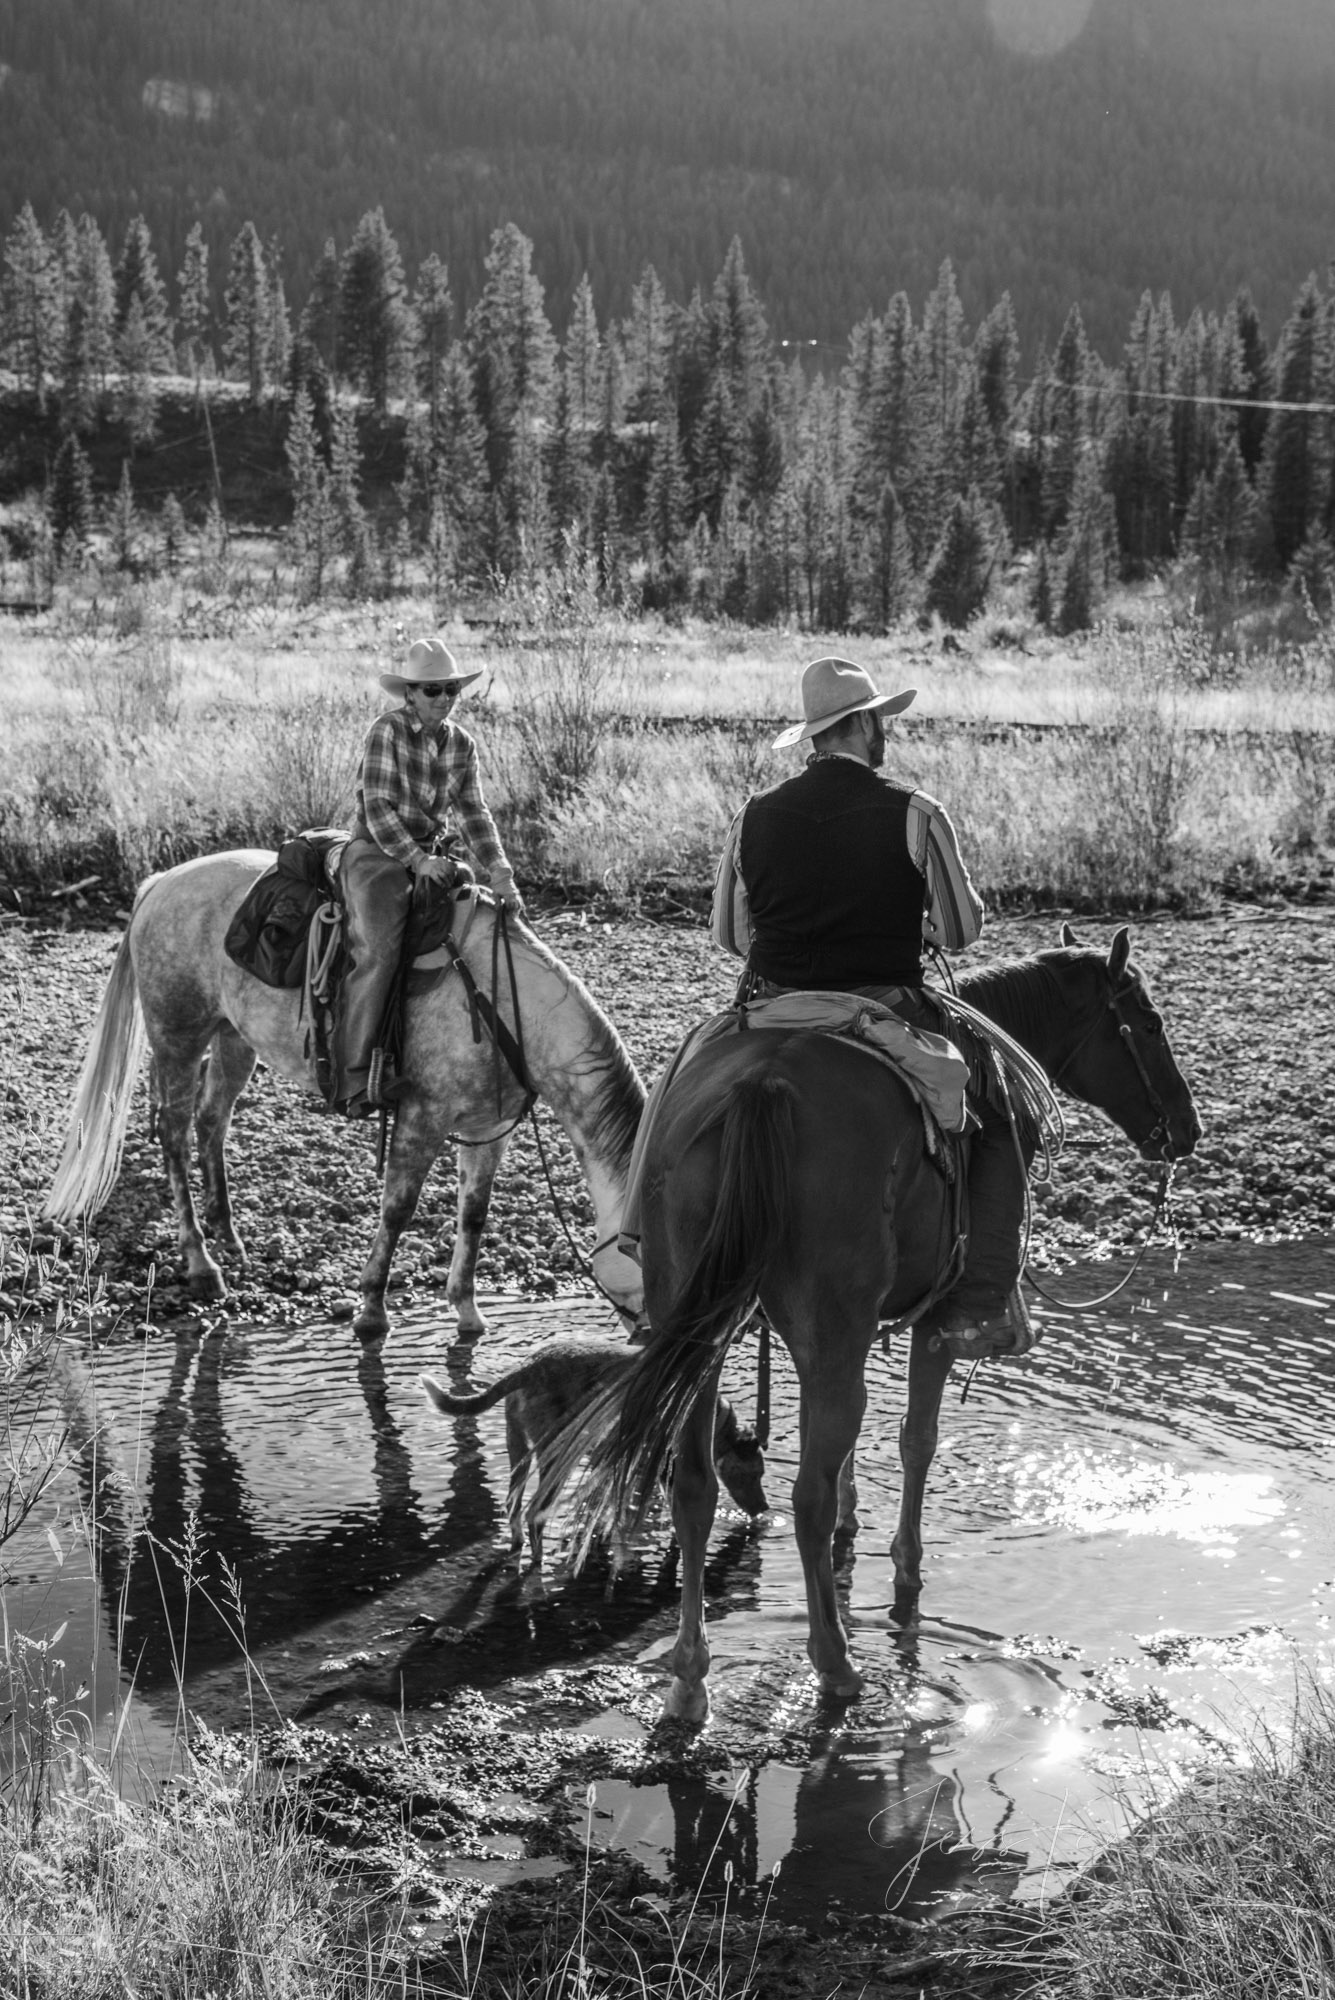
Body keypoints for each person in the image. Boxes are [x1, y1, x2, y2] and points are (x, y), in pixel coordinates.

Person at [710, 654, 1026, 1354]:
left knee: (680, 1080)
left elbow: (731, 938)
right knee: (1000, 1112)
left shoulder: (752, 816)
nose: (884, 728)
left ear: (815, 734)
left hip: (769, 1009)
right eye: (879, 717)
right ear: (859, 725)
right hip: (885, 1006)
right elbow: (961, 931)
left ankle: (639, 1246)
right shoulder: (915, 813)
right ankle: (977, 1301)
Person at [335, 635, 523, 1119]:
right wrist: (416, 860)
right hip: (378, 853)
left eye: (451, 690)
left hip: (433, 858)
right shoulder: (387, 731)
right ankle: (354, 1076)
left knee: (482, 935)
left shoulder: (462, 744)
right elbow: (376, 807)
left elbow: (473, 813)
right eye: (433, 690)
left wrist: (502, 875)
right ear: (410, 693)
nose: (444, 699)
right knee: (377, 950)